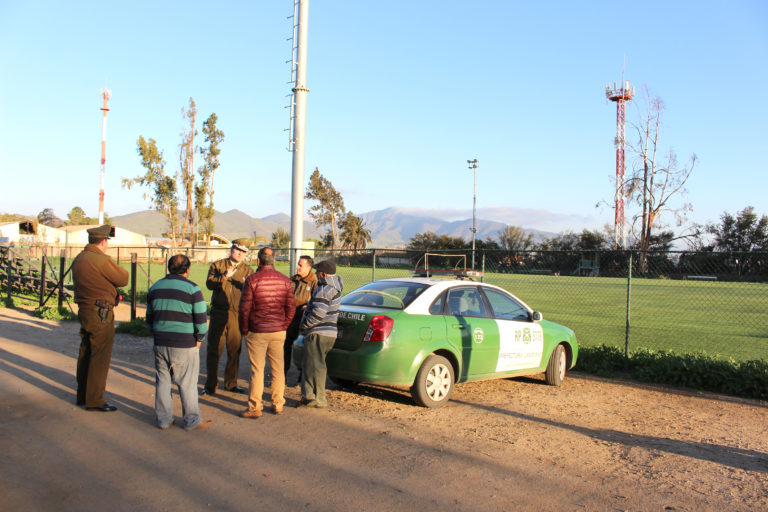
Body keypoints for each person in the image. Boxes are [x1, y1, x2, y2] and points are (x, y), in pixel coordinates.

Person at [146, 254, 212, 431]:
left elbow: (149, 317)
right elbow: (201, 320)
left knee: (163, 380)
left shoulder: (155, 288)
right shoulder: (193, 289)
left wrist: (157, 332)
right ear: (187, 269)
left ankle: (164, 419)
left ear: (169, 267)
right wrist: (200, 339)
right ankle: (192, 420)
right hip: (184, 343)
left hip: (161, 341)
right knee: (187, 383)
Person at [71, 225, 129, 412]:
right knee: (100, 356)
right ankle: (95, 399)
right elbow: (123, 278)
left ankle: (83, 395)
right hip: (100, 311)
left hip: (85, 309)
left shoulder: (80, 258)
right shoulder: (101, 260)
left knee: (86, 352)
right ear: (103, 241)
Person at [238, 247, 295, 418]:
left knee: (257, 369)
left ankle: (255, 406)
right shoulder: (285, 280)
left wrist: (244, 329)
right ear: (274, 261)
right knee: (278, 368)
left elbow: (244, 309)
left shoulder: (252, 280)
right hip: (278, 330)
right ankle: (278, 403)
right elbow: (291, 308)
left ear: (258, 261)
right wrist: (284, 324)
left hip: (257, 330)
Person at [202, 238, 254, 395]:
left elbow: (253, 293)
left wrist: (246, 286)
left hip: (236, 313)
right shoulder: (218, 265)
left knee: (234, 350)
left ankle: (231, 383)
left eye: (243, 252)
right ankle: (210, 385)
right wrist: (224, 276)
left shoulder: (248, 271)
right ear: (232, 249)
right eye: (238, 250)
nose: (239, 254)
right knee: (214, 349)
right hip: (219, 312)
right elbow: (209, 284)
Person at [298, 260, 343, 409]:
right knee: (317, 365)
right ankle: (313, 397)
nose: (316, 274)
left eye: (317, 272)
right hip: (329, 333)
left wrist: (304, 325)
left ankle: (315, 398)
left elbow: (318, 313)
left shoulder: (323, 289)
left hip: (317, 333)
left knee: (313, 366)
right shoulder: (335, 288)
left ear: (323, 274)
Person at [284, 255, 317, 384]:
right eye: (298, 264)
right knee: (285, 346)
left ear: (309, 267)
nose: (297, 267)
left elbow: (316, 302)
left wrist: (307, 307)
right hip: (290, 319)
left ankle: (302, 376)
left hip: (303, 321)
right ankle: (282, 374)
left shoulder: (314, 282)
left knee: (303, 348)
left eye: (300, 265)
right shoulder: (293, 279)